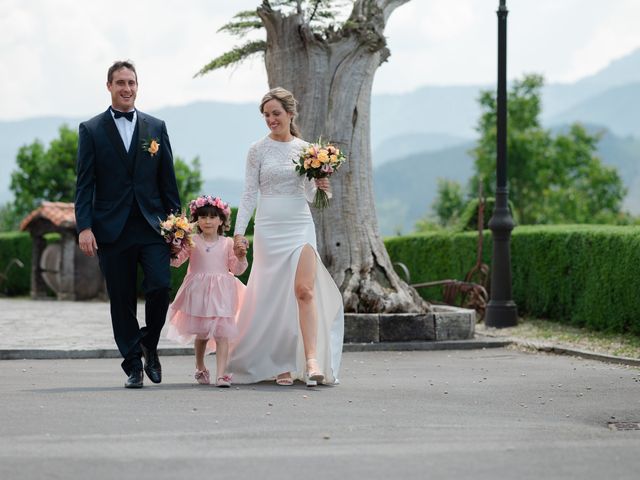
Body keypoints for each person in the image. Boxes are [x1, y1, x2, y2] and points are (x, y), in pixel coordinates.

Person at [75, 60, 181, 388]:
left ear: (138, 86)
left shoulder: (157, 127)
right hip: (111, 229)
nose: (127, 88)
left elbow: (168, 182)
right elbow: (85, 184)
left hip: (152, 226)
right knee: (121, 299)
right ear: (109, 86)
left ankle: (149, 343)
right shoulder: (91, 130)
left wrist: (176, 226)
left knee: (160, 287)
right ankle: (133, 363)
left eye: (132, 82)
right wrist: (85, 226)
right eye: (120, 82)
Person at [228, 87, 344, 386]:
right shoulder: (257, 150)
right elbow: (250, 194)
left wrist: (322, 187)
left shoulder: (308, 150)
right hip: (268, 228)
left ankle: (311, 359)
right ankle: (280, 364)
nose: (271, 120)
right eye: (266, 115)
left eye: (276, 114)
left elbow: (314, 196)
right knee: (275, 296)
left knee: (304, 290)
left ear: (291, 114)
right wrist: (239, 233)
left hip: (299, 225)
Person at [166, 196, 248, 387]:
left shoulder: (227, 243)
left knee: (222, 333)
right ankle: (200, 366)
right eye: (203, 217)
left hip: (221, 293)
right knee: (201, 334)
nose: (207, 221)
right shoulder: (192, 240)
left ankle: (221, 374)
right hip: (199, 293)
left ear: (221, 220)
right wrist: (173, 248)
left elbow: (235, 269)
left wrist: (241, 257)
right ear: (197, 220)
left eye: (212, 217)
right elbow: (177, 261)